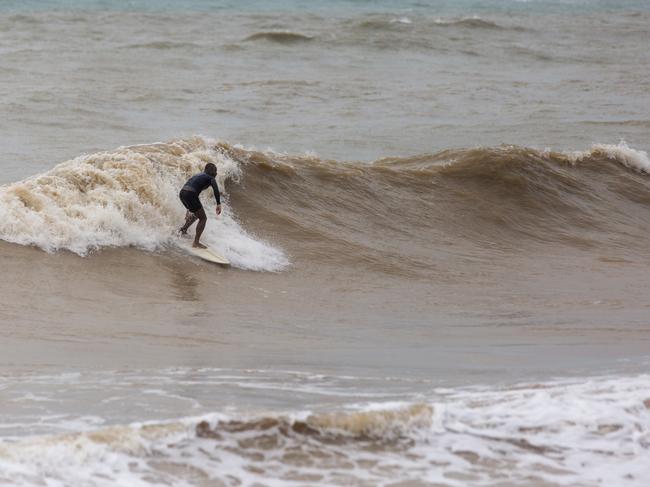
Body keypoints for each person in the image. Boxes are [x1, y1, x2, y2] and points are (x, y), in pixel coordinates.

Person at [178, 163, 222, 248]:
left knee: (196, 215)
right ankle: (196, 243)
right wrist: (218, 203)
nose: (216, 173)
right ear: (213, 172)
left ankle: (183, 230)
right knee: (203, 218)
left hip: (182, 193)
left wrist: (188, 210)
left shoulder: (199, 175)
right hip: (191, 194)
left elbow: (188, 189)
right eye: (215, 171)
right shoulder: (210, 177)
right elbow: (216, 189)